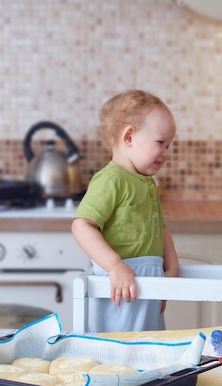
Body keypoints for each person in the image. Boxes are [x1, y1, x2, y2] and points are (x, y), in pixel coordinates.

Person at [72, 89, 179, 332]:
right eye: (161, 143)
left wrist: (172, 269)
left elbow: (159, 227)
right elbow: (82, 225)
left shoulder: (146, 182)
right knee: (119, 351)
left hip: (147, 286)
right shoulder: (111, 179)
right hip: (120, 287)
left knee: (147, 350)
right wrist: (115, 266)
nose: (166, 153)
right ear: (129, 137)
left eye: (168, 145)